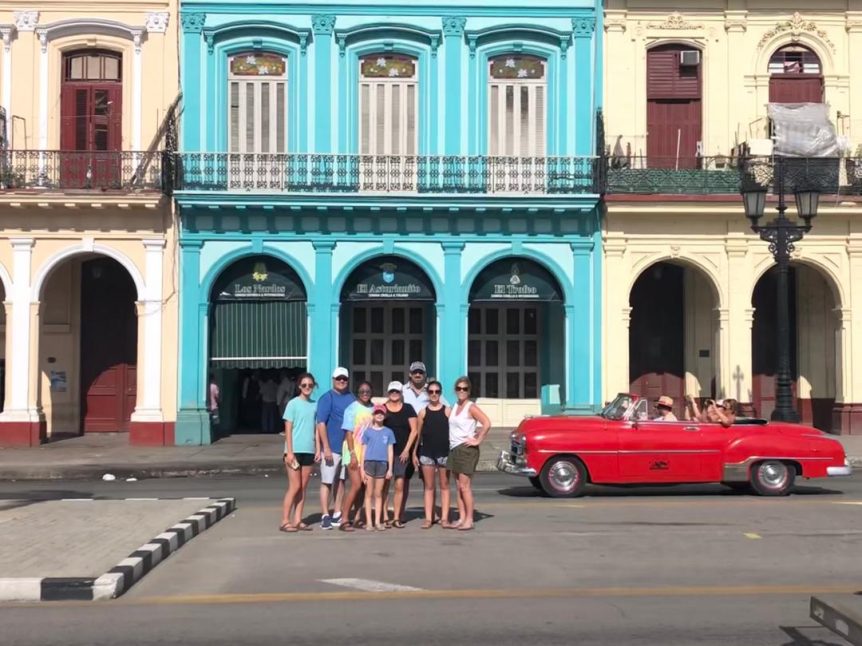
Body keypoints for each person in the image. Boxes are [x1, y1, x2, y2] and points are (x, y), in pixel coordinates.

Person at [447, 376, 492, 531]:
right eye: (459, 388)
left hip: (466, 449)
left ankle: (469, 519)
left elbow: (486, 423)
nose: (461, 391)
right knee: (458, 486)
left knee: (465, 486)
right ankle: (461, 517)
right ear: (455, 390)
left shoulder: (470, 407)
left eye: (465, 389)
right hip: (454, 448)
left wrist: (478, 440)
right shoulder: (455, 406)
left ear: (469, 391)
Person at [315, 367, 356, 529]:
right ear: (333, 379)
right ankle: (325, 514)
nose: (341, 381)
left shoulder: (352, 398)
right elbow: (320, 423)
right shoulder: (327, 398)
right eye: (339, 378)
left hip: (346, 448)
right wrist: (325, 447)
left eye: (344, 379)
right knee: (327, 481)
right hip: (331, 447)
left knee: (341, 481)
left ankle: (337, 513)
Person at [280, 373, 319, 533]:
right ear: (299, 387)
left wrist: (318, 448)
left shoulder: (315, 405)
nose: (307, 388)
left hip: (309, 449)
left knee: (303, 487)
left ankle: (298, 519)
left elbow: (317, 428)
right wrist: (289, 452)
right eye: (304, 385)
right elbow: (288, 429)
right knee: (294, 486)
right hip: (294, 450)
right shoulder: (292, 404)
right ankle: (284, 520)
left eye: (310, 385)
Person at [413, 380, 451, 529]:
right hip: (427, 452)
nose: (434, 394)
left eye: (437, 392)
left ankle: (444, 518)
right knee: (429, 487)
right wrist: (414, 453)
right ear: (427, 394)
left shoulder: (448, 410)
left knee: (445, 486)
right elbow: (418, 434)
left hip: (444, 452)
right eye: (431, 392)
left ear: (440, 393)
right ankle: (429, 518)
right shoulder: (423, 412)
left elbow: (456, 429)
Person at [337, 381, 375, 532]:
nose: (365, 393)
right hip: (353, 450)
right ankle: (344, 518)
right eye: (362, 391)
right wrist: (352, 454)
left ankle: (358, 517)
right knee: (356, 484)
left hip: (367, 451)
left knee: (364, 487)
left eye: (367, 391)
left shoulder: (373, 408)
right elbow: (348, 432)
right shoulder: (351, 408)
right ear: (357, 393)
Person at [382, 381, 418, 528]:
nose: (394, 394)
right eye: (392, 392)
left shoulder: (408, 408)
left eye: (397, 391)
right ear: (388, 393)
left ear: (401, 393)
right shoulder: (383, 409)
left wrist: (406, 450)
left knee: (399, 485)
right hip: (384, 453)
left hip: (402, 453)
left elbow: (414, 430)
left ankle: (397, 517)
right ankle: (384, 516)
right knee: (383, 486)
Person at [360, 405, 396, 531]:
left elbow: (390, 450)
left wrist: (390, 468)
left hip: (382, 464)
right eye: (377, 413)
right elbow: (363, 451)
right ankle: (369, 522)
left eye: (382, 413)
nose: (379, 415)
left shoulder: (388, 432)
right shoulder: (368, 432)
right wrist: (362, 469)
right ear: (373, 416)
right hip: (369, 463)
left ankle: (377, 521)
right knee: (369, 493)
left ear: (385, 416)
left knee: (378, 494)